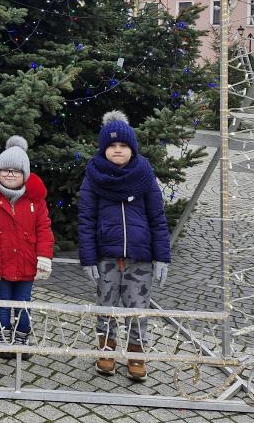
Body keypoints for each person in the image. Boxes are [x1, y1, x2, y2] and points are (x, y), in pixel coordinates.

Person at [78, 110, 171, 381]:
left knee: (137, 308)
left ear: (132, 148)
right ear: (103, 149)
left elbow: (157, 217)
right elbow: (86, 219)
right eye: (112, 145)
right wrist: (88, 258)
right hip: (106, 256)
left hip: (139, 257)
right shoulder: (94, 175)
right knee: (105, 306)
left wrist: (162, 256)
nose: (117, 150)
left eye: (123, 145)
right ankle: (106, 348)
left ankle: (136, 352)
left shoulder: (144, 174)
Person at [0, 135, 54, 360]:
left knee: (23, 302)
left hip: (26, 263)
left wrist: (44, 257)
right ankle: (3, 335)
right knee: (2, 302)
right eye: (5, 170)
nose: (10, 174)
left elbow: (44, 229)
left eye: (16, 171)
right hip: (0, 263)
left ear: (25, 175)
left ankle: (22, 335)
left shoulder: (35, 201)